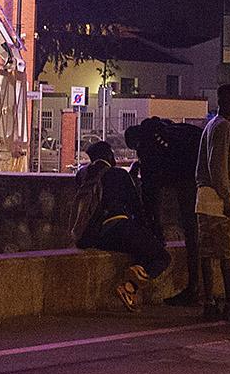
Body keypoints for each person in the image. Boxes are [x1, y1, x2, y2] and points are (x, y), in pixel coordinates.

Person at [72, 140, 170, 308]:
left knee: (139, 250)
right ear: (109, 156)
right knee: (161, 256)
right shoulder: (118, 174)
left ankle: (134, 277)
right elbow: (136, 208)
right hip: (117, 229)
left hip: (91, 236)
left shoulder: (82, 175)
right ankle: (129, 287)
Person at [124, 115, 204, 305]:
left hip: (187, 180)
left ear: (135, 142)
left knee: (192, 234)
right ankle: (200, 290)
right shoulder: (164, 128)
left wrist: (156, 229)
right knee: (195, 235)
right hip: (197, 173)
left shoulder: (147, 145)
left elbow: (151, 196)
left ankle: (194, 289)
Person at [195, 83, 230, 320]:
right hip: (218, 198)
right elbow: (218, 166)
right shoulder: (224, 127)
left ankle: (210, 301)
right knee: (228, 253)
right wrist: (226, 197)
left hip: (203, 198)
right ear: (223, 101)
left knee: (206, 254)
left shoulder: (210, 125)